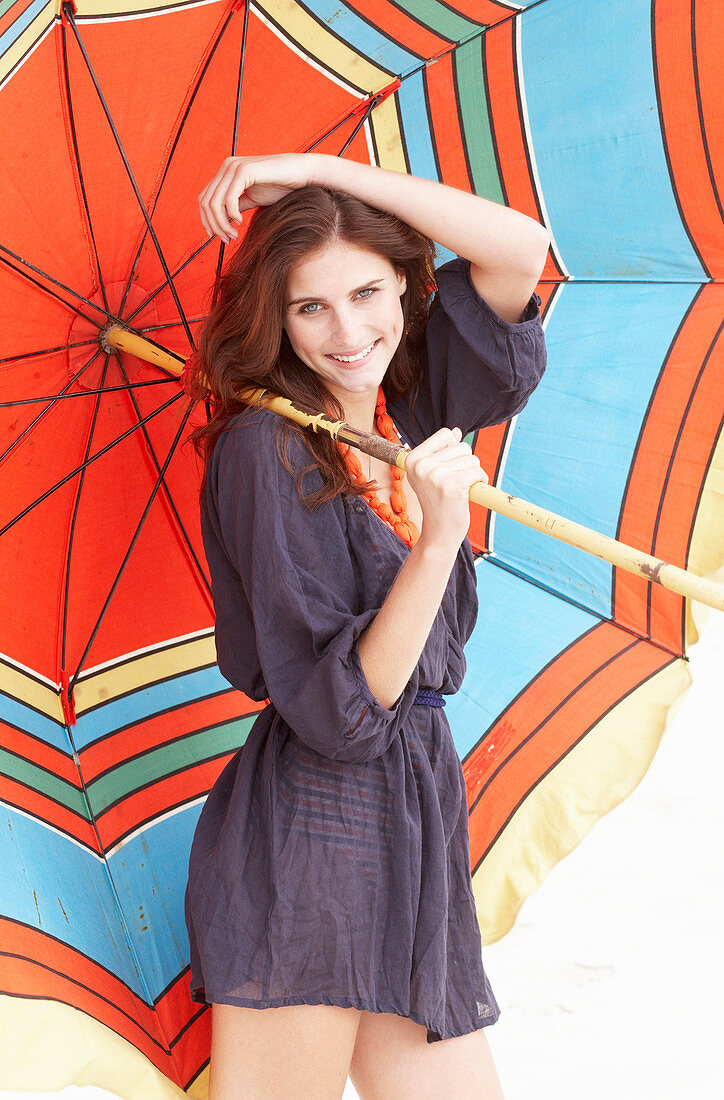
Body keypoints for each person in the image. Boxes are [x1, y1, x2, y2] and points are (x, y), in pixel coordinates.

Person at [184, 152, 549, 1100]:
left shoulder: (405, 409)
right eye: (312, 308)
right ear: (277, 318)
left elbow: (519, 251)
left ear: (405, 285)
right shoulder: (265, 449)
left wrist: (306, 170)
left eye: (368, 292)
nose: (349, 332)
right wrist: (434, 547)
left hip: (417, 815)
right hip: (314, 826)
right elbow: (346, 714)